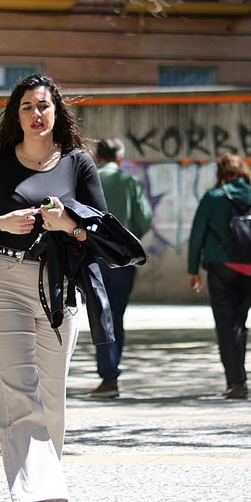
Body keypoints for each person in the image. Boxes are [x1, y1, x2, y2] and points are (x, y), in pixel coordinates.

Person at [0, 74, 106, 502]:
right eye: (26, 107)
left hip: (59, 288)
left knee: (51, 395)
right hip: (6, 282)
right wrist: (0, 223)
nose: (36, 114)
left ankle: (32, 492)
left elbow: (101, 231)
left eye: (43, 106)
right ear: (15, 116)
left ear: (57, 111)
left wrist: (70, 223)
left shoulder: (79, 163)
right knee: (18, 392)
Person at [186, 153, 251, 400]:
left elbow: (197, 235)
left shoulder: (213, 198)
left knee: (226, 326)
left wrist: (193, 270)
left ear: (221, 173)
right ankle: (239, 379)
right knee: (239, 324)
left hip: (222, 268)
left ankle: (236, 382)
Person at [86, 137, 154, 398]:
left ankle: (109, 375)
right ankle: (112, 371)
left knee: (101, 316)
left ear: (96, 157)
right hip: (124, 261)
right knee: (117, 316)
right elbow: (144, 219)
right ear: (120, 158)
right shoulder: (130, 182)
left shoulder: (88, 179)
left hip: (94, 260)